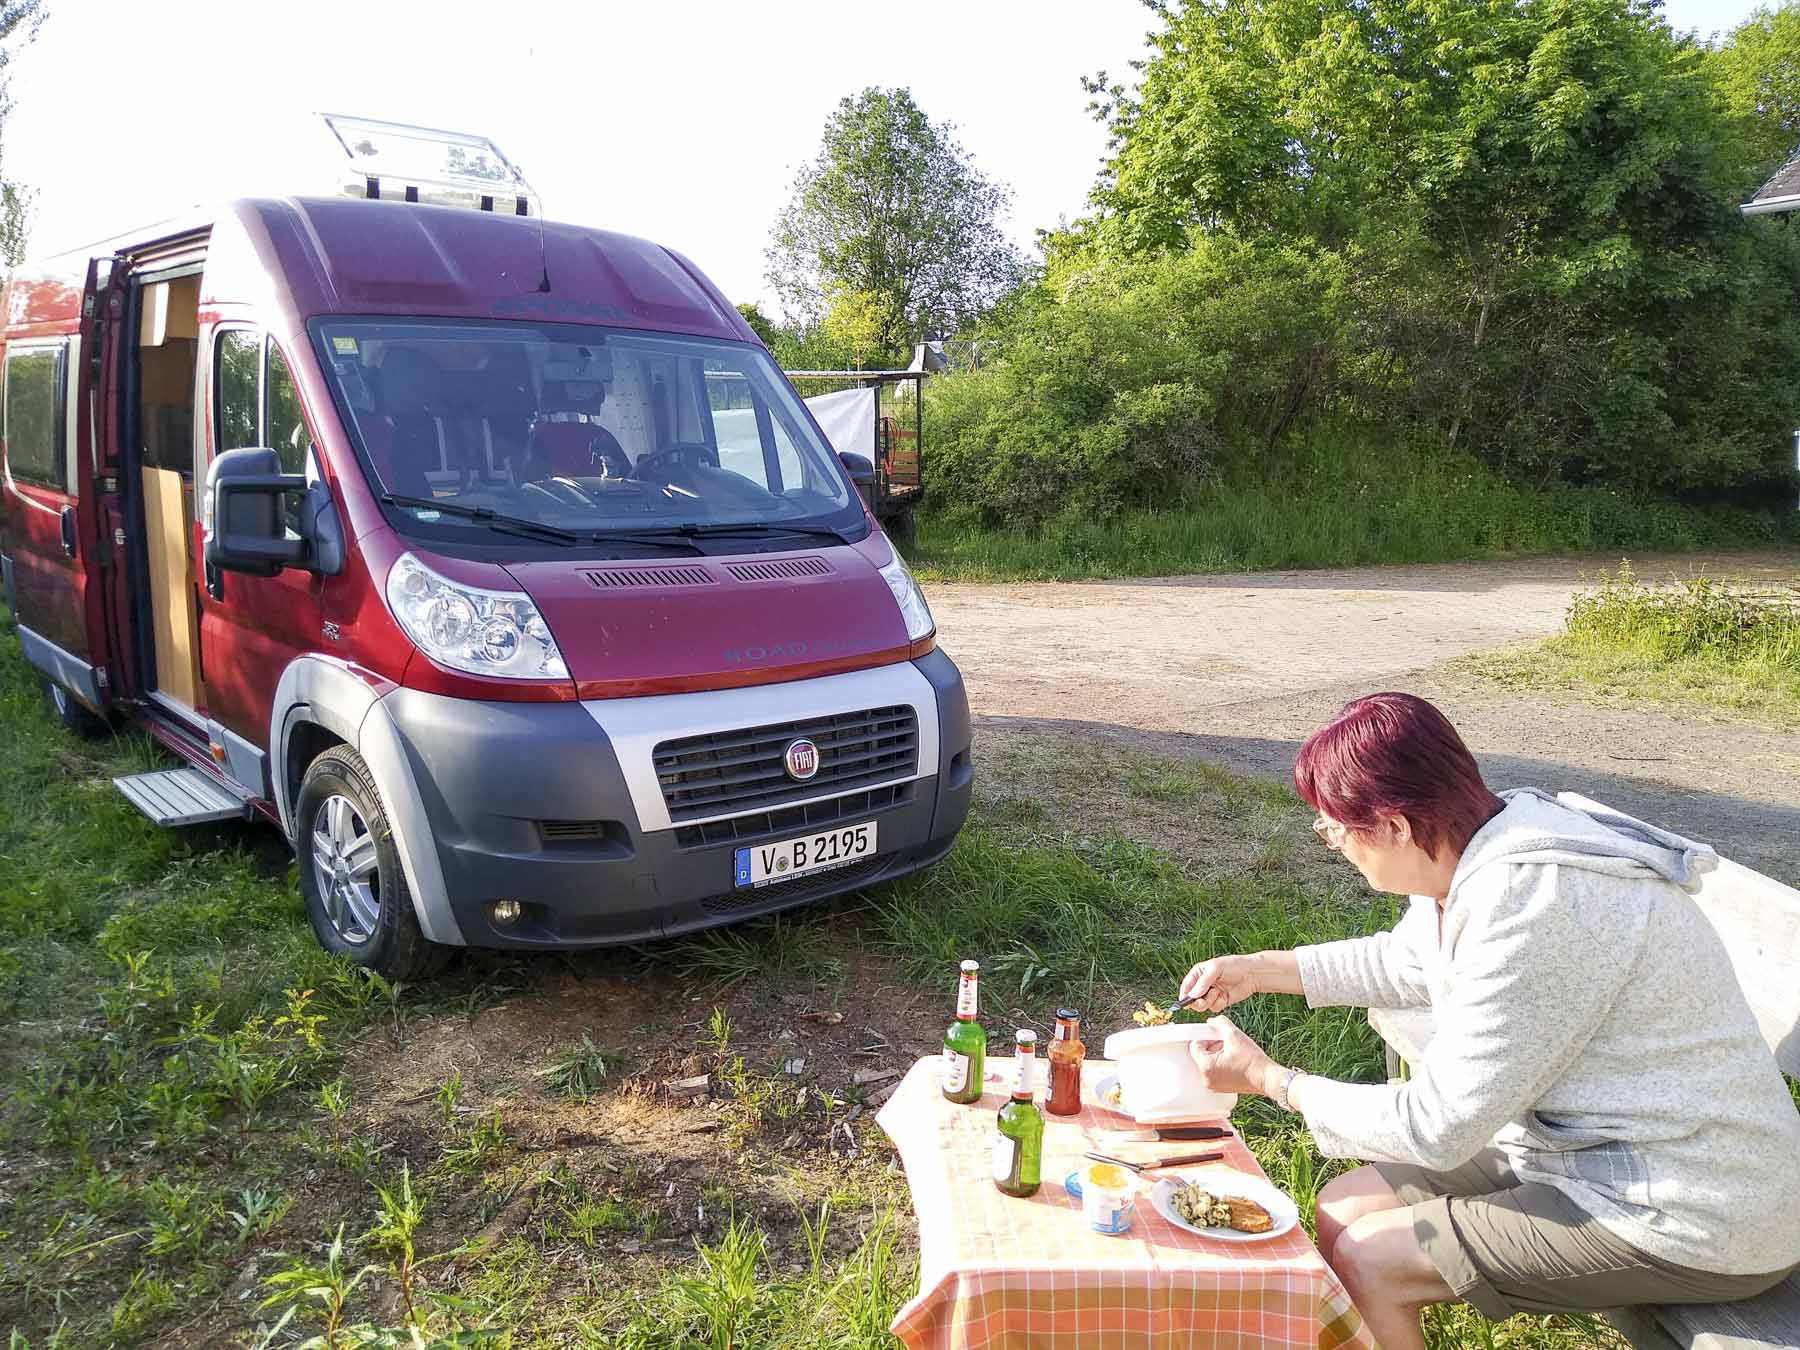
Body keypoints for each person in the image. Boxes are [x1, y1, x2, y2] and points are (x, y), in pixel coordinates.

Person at [1178, 692, 1800, 1350]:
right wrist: (1259, 969)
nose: (1331, 841)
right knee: (1342, 1210)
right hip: (1593, 1152)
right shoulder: (1484, 839)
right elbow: (1411, 961)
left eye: (1334, 827)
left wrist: (1275, 1080)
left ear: (1393, 825)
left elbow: (1437, 1127)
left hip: (1700, 1206)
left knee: (1373, 1258)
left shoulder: (1537, 905)